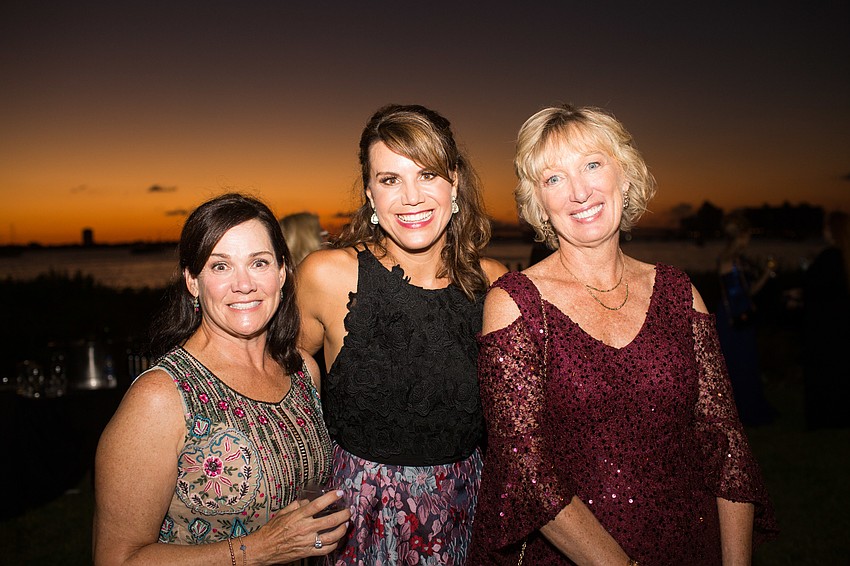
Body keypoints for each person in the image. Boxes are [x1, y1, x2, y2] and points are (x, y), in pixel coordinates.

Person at [469, 105, 776, 565]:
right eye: (553, 179)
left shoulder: (679, 293)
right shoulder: (514, 304)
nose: (578, 192)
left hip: (692, 545)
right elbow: (525, 468)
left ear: (626, 177)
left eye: (592, 165)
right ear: (538, 204)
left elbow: (725, 444)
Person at [297, 104, 507, 564]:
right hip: (358, 523)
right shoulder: (328, 276)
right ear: (370, 193)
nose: (410, 197)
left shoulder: (493, 283)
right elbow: (280, 374)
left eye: (427, 175)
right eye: (390, 179)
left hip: (466, 516)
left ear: (454, 182)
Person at [93, 193, 350, 565]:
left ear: (282, 273)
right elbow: (116, 559)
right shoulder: (162, 396)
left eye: (258, 263)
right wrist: (261, 550)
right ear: (192, 282)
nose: (243, 285)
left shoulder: (303, 371)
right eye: (220, 267)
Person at [715, 213, 776, 426]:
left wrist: (766, 274)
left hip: (739, 316)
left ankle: (747, 408)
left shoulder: (735, 259)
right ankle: (745, 411)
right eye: (748, 235)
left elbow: (746, 292)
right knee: (738, 363)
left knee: (745, 362)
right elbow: (737, 296)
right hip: (734, 319)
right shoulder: (730, 261)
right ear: (742, 236)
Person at [803, 210, 850, 429]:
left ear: (832, 230)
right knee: (839, 369)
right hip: (840, 324)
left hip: (823, 325)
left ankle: (824, 418)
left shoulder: (829, 257)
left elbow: (814, 287)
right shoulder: (843, 256)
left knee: (822, 372)